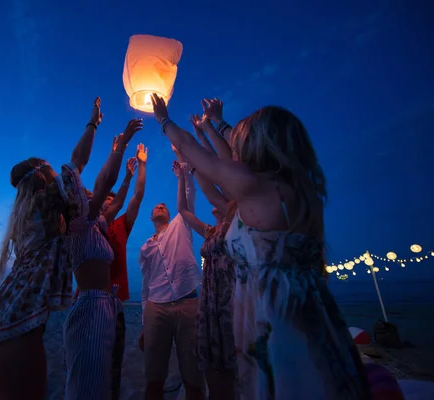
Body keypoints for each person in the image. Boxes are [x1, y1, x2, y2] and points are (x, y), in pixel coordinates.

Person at [151, 93, 372, 399]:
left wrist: (163, 119)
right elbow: (232, 153)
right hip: (309, 306)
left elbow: (195, 151)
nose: (237, 147)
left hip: (276, 312)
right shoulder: (296, 189)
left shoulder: (255, 186)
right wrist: (216, 124)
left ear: (259, 145)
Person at [0, 97, 104, 400]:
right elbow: (77, 162)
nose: (58, 176)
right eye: (51, 170)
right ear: (44, 175)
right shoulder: (47, 201)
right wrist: (93, 123)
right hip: (16, 336)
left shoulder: (23, 221)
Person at [63, 118, 143, 400]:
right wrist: (121, 144)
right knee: (87, 385)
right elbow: (103, 181)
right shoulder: (80, 220)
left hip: (107, 305)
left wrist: (129, 175)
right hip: (90, 305)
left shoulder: (97, 223)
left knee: (104, 380)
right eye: (92, 195)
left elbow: (118, 199)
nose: (98, 198)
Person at [138, 146, 204, 400]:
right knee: (154, 376)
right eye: (157, 206)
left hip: (189, 301)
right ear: (152, 216)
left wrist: (182, 167)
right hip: (157, 307)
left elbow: (189, 194)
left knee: (193, 375)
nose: (161, 206)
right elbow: (145, 287)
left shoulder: (181, 223)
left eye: (164, 205)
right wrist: (145, 323)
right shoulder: (145, 247)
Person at [184, 114, 239, 399]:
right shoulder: (210, 232)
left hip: (232, 297)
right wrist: (186, 169)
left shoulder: (235, 216)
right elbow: (184, 209)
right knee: (211, 361)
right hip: (210, 300)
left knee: (235, 363)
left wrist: (207, 130)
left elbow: (221, 168)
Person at [102, 143, 148, 301]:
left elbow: (138, 195)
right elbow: (102, 181)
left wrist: (142, 164)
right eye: (107, 199)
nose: (110, 202)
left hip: (115, 296)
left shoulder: (121, 224)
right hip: (86, 294)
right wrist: (114, 156)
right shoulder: (90, 223)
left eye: (113, 200)